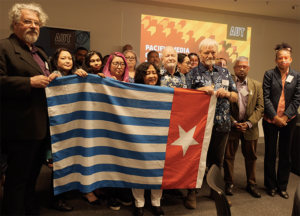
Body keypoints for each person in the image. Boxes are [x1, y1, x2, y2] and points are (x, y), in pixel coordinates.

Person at [0, 3, 59, 215]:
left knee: (33, 176)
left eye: (37, 23)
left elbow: (45, 82)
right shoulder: (4, 47)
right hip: (20, 128)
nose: (33, 26)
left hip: (41, 127)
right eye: (28, 21)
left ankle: (30, 209)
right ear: (15, 23)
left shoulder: (41, 53)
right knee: (17, 179)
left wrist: (54, 78)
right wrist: (28, 82)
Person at [186, 38, 238, 209]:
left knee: (217, 162)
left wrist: (228, 94)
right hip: (200, 126)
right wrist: (200, 91)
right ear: (199, 53)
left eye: (213, 52)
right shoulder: (192, 74)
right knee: (197, 160)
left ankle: (216, 193)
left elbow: (236, 96)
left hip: (222, 125)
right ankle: (192, 194)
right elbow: (184, 96)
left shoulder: (224, 72)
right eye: (206, 52)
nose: (210, 55)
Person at [263, 43, 300, 199]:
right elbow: (265, 97)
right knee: (270, 153)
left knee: (286, 153)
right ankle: (270, 186)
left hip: (288, 120)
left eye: (286, 57)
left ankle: (282, 186)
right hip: (271, 119)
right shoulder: (269, 74)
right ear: (276, 60)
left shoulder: (297, 76)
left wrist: (284, 117)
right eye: (280, 58)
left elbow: (297, 98)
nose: (283, 60)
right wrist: (275, 117)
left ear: (290, 59)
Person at [223, 56, 264, 198]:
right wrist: (234, 122)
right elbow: (223, 107)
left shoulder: (257, 85)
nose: (242, 69)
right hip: (232, 127)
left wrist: (248, 123)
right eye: (239, 66)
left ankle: (251, 184)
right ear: (234, 69)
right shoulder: (228, 85)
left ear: (249, 69)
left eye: (245, 66)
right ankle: (229, 183)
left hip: (250, 128)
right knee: (228, 157)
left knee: (251, 157)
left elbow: (260, 107)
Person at [133, 62, 164, 216]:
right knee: (138, 167)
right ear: (141, 76)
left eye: (154, 72)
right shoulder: (133, 91)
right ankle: (139, 203)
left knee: (158, 168)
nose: (152, 76)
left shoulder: (164, 92)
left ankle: (156, 202)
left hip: (159, 136)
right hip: (139, 135)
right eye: (147, 73)